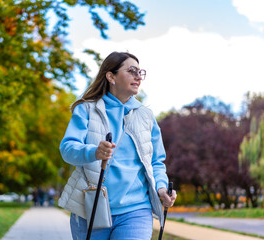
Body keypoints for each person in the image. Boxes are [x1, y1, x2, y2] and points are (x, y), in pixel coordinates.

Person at [58, 51, 177, 240]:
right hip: (91, 207)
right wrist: (94, 152)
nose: (138, 76)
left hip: (136, 210)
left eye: (140, 72)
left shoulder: (145, 116)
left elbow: (156, 162)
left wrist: (161, 187)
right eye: (131, 71)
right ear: (111, 76)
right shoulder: (87, 109)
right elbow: (67, 149)